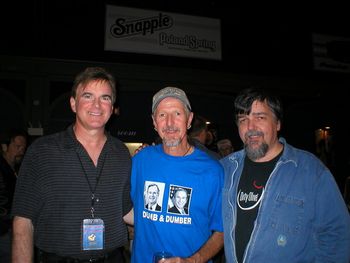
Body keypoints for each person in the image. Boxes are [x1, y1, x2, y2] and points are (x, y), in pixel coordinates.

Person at [11, 67, 133, 263]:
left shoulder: (121, 153)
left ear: (112, 107)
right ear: (73, 104)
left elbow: (125, 209)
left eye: (105, 98)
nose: (97, 105)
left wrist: (171, 222)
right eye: (88, 96)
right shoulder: (42, 151)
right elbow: (23, 221)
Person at [221, 88, 350, 263]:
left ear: (278, 123)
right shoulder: (227, 168)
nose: (250, 128)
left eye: (260, 118)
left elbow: (337, 237)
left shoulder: (310, 171)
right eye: (243, 120)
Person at [130, 86, 224, 263]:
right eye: (162, 115)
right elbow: (129, 209)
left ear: (189, 120)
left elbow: (222, 230)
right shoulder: (140, 161)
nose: (170, 123)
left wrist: (193, 260)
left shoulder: (212, 171)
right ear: (154, 122)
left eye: (177, 114)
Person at [0, 129, 27, 263]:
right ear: (5, 147)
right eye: (17, 146)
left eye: (23, 147)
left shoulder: (15, 169)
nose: (21, 151)